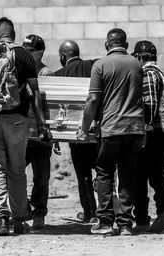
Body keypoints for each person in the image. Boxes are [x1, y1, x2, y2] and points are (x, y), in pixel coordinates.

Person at [0, 17, 47, 236]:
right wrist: (42, 124)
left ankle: (1, 220)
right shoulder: (24, 55)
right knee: (16, 170)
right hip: (17, 119)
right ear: (13, 35)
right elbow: (34, 92)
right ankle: (18, 219)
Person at [77, 28, 145, 236]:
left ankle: (106, 221)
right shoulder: (137, 64)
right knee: (127, 175)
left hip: (111, 129)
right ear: (126, 43)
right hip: (134, 129)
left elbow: (93, 99)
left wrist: (84, 127)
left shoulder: (100, 65)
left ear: (107, 45)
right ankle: (125, 224)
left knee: (105, 171)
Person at [131, 40, 164, 234]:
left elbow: (149, 105)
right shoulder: (160, 74)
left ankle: (144, 219)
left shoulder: (149, 74)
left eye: (136, 58)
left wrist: (143, 130)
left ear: (141, 57)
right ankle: (163, 210)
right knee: (155, 173)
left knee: (141, 175)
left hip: (155, 133)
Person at [54, 40, 98, 224]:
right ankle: (106, 212)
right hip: (96, 132)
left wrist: (54, 136)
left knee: (84, 175)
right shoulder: (94, 66)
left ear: (63, 56)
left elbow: (55, 110)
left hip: (74, 136)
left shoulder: (58, 75)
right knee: (104, 172)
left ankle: (90, 213)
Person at [22, 34, 53, 229]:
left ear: (40, 52)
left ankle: (39, 212)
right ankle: (24, 208)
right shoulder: (20, 71)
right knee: (14, 173)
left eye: (30, 51)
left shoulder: (46, 74)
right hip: (22, 133)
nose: (26, 54)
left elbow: (49, 105)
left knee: (41, 176)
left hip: (40, 134)